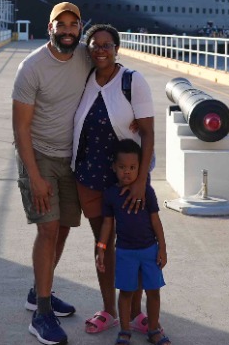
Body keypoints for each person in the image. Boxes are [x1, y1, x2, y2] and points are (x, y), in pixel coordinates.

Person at [13, 2, 92, 345]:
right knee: (47, 230)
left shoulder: (86, 56)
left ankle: (38, 292)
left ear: (80, 28)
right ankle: (42, 314)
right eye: (61, 25)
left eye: (73, 25)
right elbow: (20, 128)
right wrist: (34, 176)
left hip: (72, 158)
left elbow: (113, 77)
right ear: (50, 29)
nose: (68, 30)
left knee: (62, 229)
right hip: (40, 155)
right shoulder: (31, 67)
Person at [70, 24, 156, 336]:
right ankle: (109, 310)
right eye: (95, 45)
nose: (101, 50)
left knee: (134, 245)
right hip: (89, 177)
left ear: (117, 49)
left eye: (107, 45)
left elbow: (148, 133)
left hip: (127, 179)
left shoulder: (132, 81)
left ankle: (135, 312)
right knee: (103, 245)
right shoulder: (85, 80)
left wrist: (140, 181)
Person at [95, 139, 170, 345]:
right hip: (125, 252)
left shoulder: (147, 192)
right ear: (114, 167)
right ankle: (125, 331)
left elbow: (155, 220)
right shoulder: (110, 195)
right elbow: (107, 224)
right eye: (122, 167)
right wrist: (101, 247)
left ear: (140, 168)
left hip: (149, 250)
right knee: (126, 292)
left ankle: (154, 330)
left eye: (132, 167)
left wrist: (162, 248)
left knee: (153, 292)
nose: (127, 172)